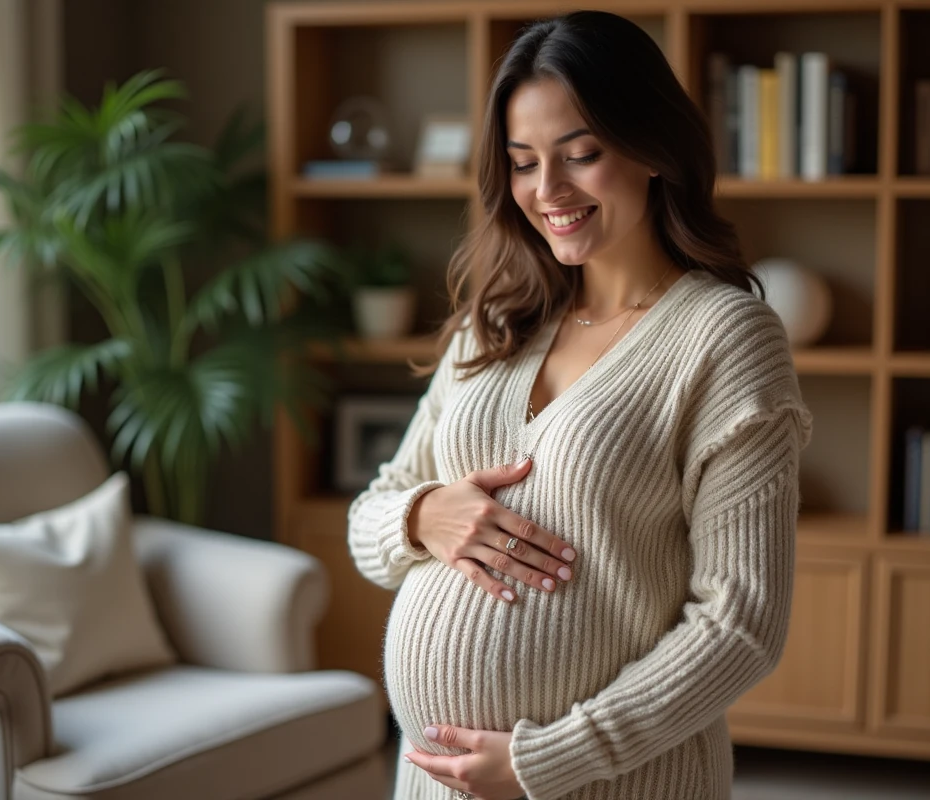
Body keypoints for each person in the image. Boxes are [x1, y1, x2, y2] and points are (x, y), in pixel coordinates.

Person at [347, 10, 813, 800]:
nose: (547, 191)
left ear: (652, 148)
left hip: (612, 784)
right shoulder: (494, 320)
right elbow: (372, 516)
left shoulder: (724, 338)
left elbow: (740, 625)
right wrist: (423, 514)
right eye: (523, 163)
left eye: (581, 155)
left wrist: (547, 760)